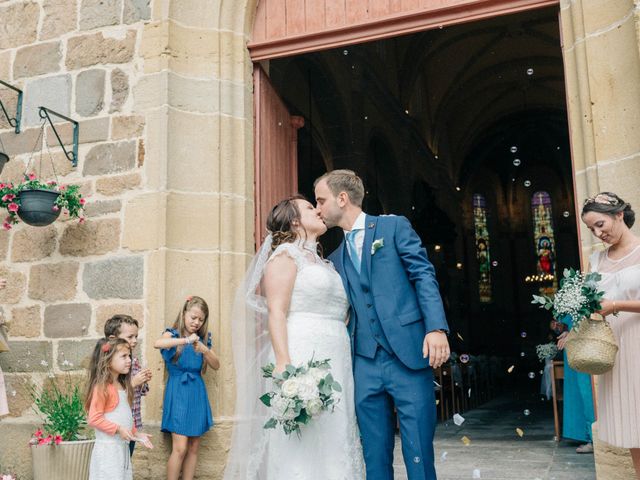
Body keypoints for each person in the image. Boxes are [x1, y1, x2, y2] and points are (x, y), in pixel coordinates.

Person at [314, 169, 450, 480]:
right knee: (373, 456)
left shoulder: (393, 227)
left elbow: (423, 275)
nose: (318, 208)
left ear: (343, 198)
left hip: (409, 355)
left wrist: (435, 328)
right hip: (363, 364)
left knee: (419, 455)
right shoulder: (334, 259)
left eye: (321, 200)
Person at [223, 195, 365, 479]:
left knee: (335, 431)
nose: (319, 211)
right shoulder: (285, 256)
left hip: (336, 355)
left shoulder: (325, 263)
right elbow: (276, 311)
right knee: (304, 436)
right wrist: (284, 365)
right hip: (303, 353)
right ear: (295, 220)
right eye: (311, 208)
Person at [581, 191, 640, 477]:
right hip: (615, 352)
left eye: (600, 224)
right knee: (633, 430)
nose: (597, 233)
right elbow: (588, 304)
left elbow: (611, 304)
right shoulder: (595, 260)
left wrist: (615, 305)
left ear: (619, 215)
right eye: (591, 229)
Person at [154, 296, 220, 480]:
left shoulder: (203, 340)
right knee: (180, 448)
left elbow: (216, 365)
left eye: (201, 319)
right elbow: (157, 343)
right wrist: (186, 341)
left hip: (196, 393)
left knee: (193, 447)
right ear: (184, 313)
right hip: (178, 392)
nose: (197, 322)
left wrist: (205, 350)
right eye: (193, 317)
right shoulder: (173, 334)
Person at [85, 338, 153, 480]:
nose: (129, 360)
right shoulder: (102, 387)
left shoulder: (122, 386)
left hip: (120, 449)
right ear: (108, 360)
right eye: (124, 356)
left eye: (129, 356)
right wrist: (118, 429)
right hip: (108, 451)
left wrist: (136, 434)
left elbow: (125, 416)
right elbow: (94, 418)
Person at [104, 314, 152, 456]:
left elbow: (141, 392)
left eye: (136, 336)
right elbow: (111, 392)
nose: (135, 341)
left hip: (132, 420)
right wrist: (133, 382)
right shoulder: (110, 364)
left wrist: (143, 381)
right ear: (113, 338)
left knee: (126, 459)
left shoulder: (134, 360)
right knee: (114, 458)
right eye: (130, 337)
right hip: (116, 423)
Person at [554, 317, 595, 453]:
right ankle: (587, 435)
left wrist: (572, 333)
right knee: (580, 389)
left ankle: (594, 438)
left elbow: (592, 319)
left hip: (588, 345)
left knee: (587, 390)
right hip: (576, 344)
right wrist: (568, 332)